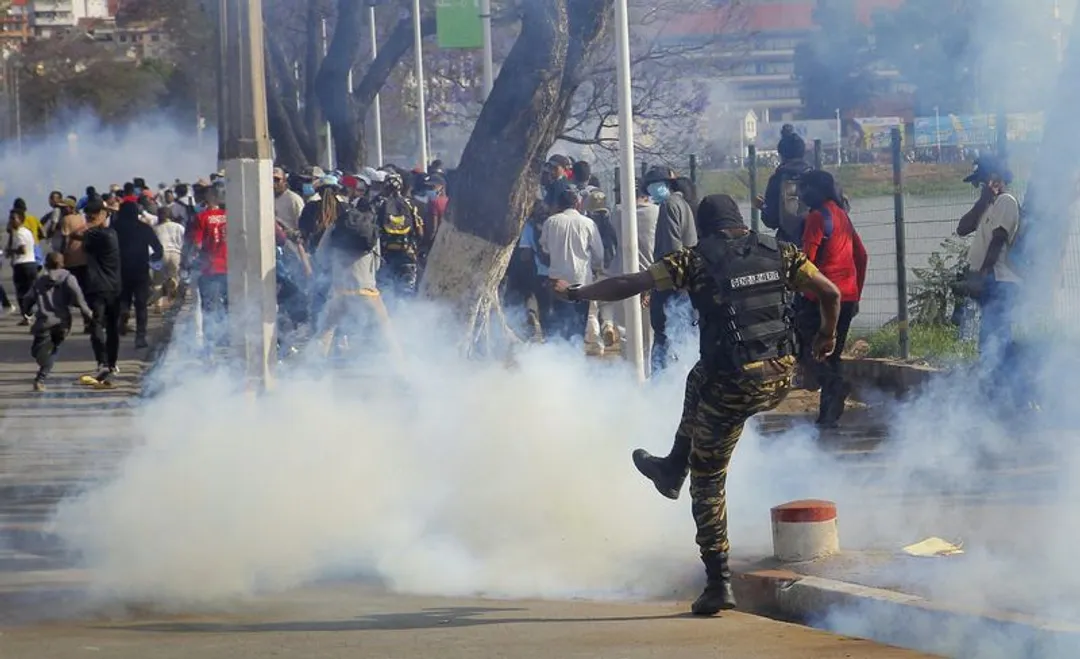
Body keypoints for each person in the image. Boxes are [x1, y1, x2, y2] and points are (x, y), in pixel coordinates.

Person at [552, 193, 841, 616]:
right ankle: (671, 466)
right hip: (781, 375)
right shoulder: (782, 253)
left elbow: (630, 283)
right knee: (697, 376)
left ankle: (717, 581)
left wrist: (577, 293)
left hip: (735, 383)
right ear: (740, 221)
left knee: (708, 481)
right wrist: (826, 336)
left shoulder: (696, 259)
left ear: (705, 229)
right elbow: (830, 292)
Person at [798, 170, 867, 426]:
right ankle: (828, 417)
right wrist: (855, 294)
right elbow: (862, 256)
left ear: (816, 190)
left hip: (819, 299)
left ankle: (834, 387)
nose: (800, 194)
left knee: (805, 351)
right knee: (831, 356)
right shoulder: (842, 216)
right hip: (846, 296)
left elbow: (805, 263)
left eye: (804, 188)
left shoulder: (816, 218)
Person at [956, 156, 1022, 386]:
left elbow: (998, 239)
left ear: (994, 177)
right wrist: (982, 202)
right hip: (990, 281)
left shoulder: (1006, 201)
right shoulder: (989, 205)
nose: (979, 186)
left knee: (996, 340)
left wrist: (982, 275)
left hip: (1000, 281)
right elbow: (962, 228)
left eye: (981, 180)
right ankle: (1002, 393)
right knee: (992, 340)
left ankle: (1013, 393)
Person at [643, 165, 697, 374]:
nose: (650, 192)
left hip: (670, 285)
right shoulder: (681, 203)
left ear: (663, 185)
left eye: (652, 186)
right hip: (685, 284)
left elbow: (672, 253)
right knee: (681, 338)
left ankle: (660, 387)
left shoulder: (669, 205)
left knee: (665, 340)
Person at [539, 183, 605, 342]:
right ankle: (575, 359)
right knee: (578, 328)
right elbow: (599, 255)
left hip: (557, 282)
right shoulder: (588, 223)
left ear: (559, 205)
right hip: (582, 283)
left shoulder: (550, 222)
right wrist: (596, 269)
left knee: (558, 327)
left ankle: (560, 360)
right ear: (577, 204)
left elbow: (544, 249)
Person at [21, 252, 94, 392]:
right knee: (53, 349)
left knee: (39, 350)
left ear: (47, 264)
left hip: (43, 321)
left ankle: (40, 376)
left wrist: (26, 311)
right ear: (62, 263)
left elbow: (28, 298)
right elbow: (79, 298)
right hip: (62, 322)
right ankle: (41, 377)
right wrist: (89, 315)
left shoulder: (40, 281)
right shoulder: (69, 278)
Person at [78, 198, 124, 387]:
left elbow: (75, 234)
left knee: (97, 324)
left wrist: (91, 222)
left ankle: (103, 363)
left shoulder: (95, 235)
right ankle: (111, 364)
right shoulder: (112, 233)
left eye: (91, 215)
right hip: (114, 286)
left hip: (98, 288)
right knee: (112, 328)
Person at [113, 198, 164, 349]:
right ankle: (140, 337)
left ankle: (123, 314)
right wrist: (152, 259)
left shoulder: (115, 228)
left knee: (123, 299)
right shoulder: (144, 228)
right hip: (140, 270)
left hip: (120, 270)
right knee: (141, 305)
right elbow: (158, 249)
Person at [188, 186, 230, 355]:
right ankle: (229, 341)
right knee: (230, 306)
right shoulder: (230, 216)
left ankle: (210, 348)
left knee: (209, 309)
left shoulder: (201, 217)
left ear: (208, 198)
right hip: (230, 268)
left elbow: (197, 245)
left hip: (210, 269)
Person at [756, 125, 812, 246]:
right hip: (817, 243)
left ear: (781, 155)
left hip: (789, 246)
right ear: (803, 152)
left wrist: (762, 206)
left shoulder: (778, 180)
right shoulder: (817, 176)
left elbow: (771, 220)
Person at [376, 171, 424, 300]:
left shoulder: (379, 205)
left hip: (385, 256)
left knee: (386, 294)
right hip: (407, 254)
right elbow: (420, 232)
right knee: (406, 294)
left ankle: (388, 319)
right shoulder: (410, 205)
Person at [6, 209, 40, 325]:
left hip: (22, 265)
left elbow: (22, 249)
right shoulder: (27, 231)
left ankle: (27, 316)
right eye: (10, 218)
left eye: (13, 218)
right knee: (31, 291)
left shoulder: (19, 233)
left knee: (21, 293)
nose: (10, 221)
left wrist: (11, 250)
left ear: (20, 219)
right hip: (31, 263)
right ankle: (32, 314)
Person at [152, 205, 185, 311]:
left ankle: (158, 305)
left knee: (157, 281)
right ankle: (172, 295)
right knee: (175, 276)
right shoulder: (179, 227)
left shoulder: (156, 228)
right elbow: (183, 242)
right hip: (176, 254)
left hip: (161, 254)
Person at [274, 167, 305, 233]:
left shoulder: (293, 199)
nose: (274, 183)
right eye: (272, 180)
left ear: (284, 181)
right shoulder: (267, 199)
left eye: (277, 180)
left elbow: (302, 227)